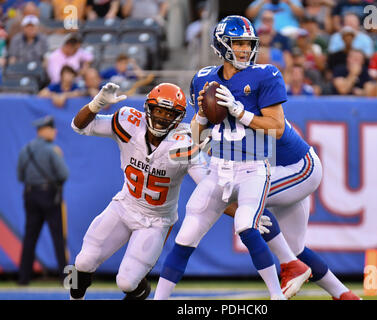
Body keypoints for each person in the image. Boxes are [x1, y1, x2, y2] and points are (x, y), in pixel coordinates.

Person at [153, 15, 313, 301]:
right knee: (186, 234)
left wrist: (241, 112)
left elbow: (276, 128)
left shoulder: (265, 75)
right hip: (219, 168)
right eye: (238, 43)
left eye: (247, 44)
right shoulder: (204, 78)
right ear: (222, 45)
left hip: (253, 167)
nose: (244, 49)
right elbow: (199, 136)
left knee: (245, 224)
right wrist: (202, 116)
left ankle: (277, 295)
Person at [69, 82, 209, 300]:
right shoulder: (128, 123)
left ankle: (140, 291)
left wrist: (245, 212)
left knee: (126, 281)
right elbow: (79, 126)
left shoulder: (184, 145)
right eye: (159, 111)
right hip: (124, 206)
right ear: (149, 109)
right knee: (82, 262)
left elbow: (209, 188)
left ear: (178, 117)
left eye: (169, 113)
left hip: (156, 221)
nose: (162, 117)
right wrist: (96, 104)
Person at [16, 115, 69, 285]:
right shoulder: (52, 150)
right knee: (58, 238)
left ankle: (23, 279)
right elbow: (64, 174)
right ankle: (66, 280)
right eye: (52, 129)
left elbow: (20, 176)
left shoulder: (26, 149)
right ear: (43, 130)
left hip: (30, 195)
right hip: (49, 196)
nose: (55, 132)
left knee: (30, 237)